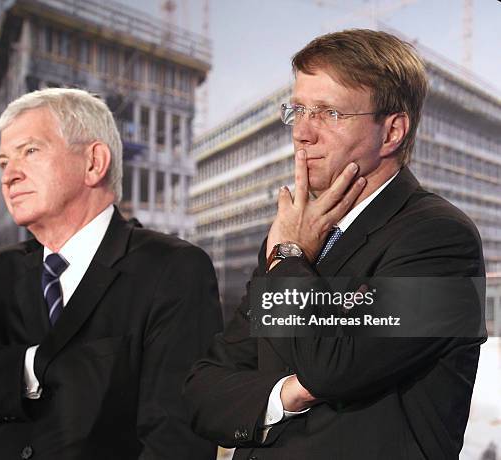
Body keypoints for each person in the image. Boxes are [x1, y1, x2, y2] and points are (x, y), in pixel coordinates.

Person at [184, 29, 485, 459]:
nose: (302, 133)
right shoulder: (298, 236)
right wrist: (285, 396)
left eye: (328, 113)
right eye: (299, 110)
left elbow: (331, 368)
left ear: (392, 131)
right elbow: (204, 388)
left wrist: (288, 257)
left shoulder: (440, 240)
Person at [0, 88, 222, 460]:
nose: (9, 176)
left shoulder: (172, 268)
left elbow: (178, 442)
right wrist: (29, 368)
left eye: (30, 151)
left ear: (93, 163)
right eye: (4, 161)